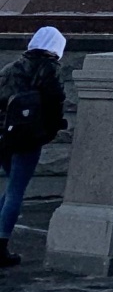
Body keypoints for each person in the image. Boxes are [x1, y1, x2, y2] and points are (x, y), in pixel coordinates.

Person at [0, 26, 67, 267]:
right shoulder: (49, 69)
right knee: (16, 190)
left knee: (12, 187)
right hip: (27, 138)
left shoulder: (12, 67)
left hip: (4, 138)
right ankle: (1, 245)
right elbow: (55, 103)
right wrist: (51, 130)